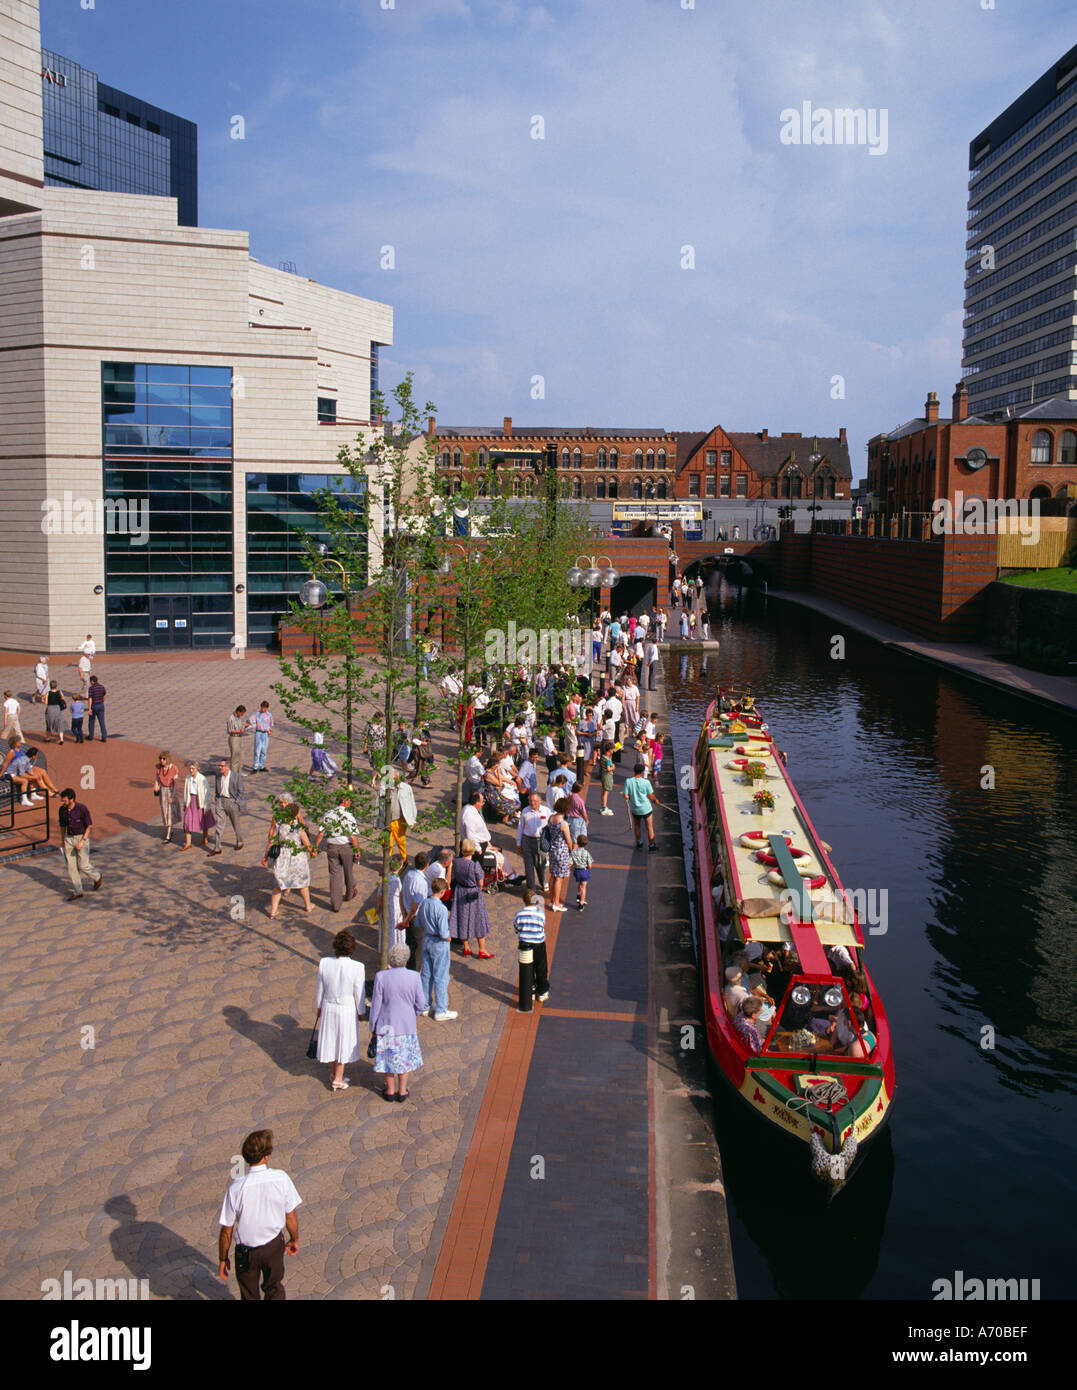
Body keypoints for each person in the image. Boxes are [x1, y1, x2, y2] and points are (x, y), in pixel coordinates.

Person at [217, 1129, 301, 1301]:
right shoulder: (281, 1178)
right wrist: (294, 1239)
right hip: (273, 1247)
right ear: (266, 1156)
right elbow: (290, 1216)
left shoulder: (236, 1189)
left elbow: (227, 1231)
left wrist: (223, 1258)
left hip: (246, 1253)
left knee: (249, 1295)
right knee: (274, 1288)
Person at [368, 943, 428, 1099]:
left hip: (386, 1025)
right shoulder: (414, 977)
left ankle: (389, 1090)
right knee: (405, 1059)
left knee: (388, 1060)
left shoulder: (381, 977)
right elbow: (421, 1003)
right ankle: (402, 1090)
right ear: (406, 960)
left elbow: (376, 1004)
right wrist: (413, 1012)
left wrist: (372, 1025)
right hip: (406, 1024)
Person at [314, 929, 366, 1091]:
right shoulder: (358, 967)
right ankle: (338, 1078)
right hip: (347, 1009)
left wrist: (319, 1006)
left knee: (331, 1039)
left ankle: (333, 1073)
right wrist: (361, 1011)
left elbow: (319, 988)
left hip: (329, 1006)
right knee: (344, 1041)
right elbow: (359, 992)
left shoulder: (325, 963)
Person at [263, 799, 314, 917]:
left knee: (279, 885)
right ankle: (308, 906)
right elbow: (307, 844)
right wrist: (313, 853)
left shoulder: (280, 825)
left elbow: (271, 841)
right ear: (296, 814)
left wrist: (265, 856)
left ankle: (273, 911)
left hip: (282, 856)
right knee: (302, 882)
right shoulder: (298, 827)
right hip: (297, 856)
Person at [416, 880, 457, 1020]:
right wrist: (448, 938)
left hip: (427, 939)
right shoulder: (442, 909)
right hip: (439, 943)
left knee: (426, 974)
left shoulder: (424, 903)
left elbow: (418, 923)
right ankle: (441, 1009)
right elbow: (444, 932)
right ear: (442, 891)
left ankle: (425, 1006)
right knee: (441, 976)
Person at [314, 792, 361, 911]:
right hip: (346, 846)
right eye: (349, 801)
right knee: (348, 871)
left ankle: (336, 904)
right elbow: (353, 837)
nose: (350, 803)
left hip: (332, 846)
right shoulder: (349, 816)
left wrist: (315, 846)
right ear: (344, 802)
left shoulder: (328, 814)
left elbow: (321, 833)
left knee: (335, 875)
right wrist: (357, 849)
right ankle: (349, 894)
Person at [449, 839, 494, 958]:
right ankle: (482, 949)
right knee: (479, 920)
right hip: (473, 893)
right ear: (472, 850)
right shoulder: (475, 866)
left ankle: (466, 947)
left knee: (462, 918)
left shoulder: (456, 862)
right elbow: (481, 883)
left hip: (460, 891)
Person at [57, 788, 102, 900]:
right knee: (71, 867)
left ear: (71, 799)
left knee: (83, 865)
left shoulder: (82, 809)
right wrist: (63, 840)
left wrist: (83, 841)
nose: (63, 803)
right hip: (69, 838)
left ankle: (97, 876)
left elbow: (89, 826)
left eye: (65, 800)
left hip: (81, 837)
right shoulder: (62, 810)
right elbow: (62, 826)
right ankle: (78, 891)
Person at [513, 889, 550, 1002]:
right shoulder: (540, 914)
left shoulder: (519, 914)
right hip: (538, 944)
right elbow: (542, 925)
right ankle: (542, 991)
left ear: (523, 900)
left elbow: (516, 928)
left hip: (524, 944)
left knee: (527, 967)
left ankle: (531, 988)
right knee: (541, 967)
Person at [543, 798, 575, 913]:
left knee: (553, 876)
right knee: (559, 878)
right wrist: (573, 851)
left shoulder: (551, 818)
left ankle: (552, 900)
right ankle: (556, 903)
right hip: (561, 852)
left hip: (552, 850)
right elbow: (568, 840)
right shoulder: (563, 824)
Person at [516, 790, 551, 894]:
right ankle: (531, 889)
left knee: (541, 864)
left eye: (535, 801)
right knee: (528, 865)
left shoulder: (546, 811)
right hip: (527, 840)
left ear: (540, 801)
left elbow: (551, 826)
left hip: (541, 841)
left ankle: (543, 881)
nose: (533, 803)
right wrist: (518, 842)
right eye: (531, 801)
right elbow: (520, 827)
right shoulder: (525, 811)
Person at [210, 757, 246, 854]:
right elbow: (217, 789)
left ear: (228, 767)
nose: (220, 768)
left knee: (236, 824)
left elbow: (241, 791)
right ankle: (217, 847)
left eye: (222, 766)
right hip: (220, 801)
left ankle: (239, 841)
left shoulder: (236, 776)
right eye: (219, 766)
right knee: (219, 825)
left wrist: (236, 802)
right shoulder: (218, 775)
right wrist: (217, 799)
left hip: (232, 802)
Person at [401, 852, 431, 969]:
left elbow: (402, 893)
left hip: (408, 914)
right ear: (427, 865)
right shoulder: (421, 882)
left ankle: (408, 967)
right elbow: (415, 906)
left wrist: (404, 914)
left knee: (410, 944)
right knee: (418, 947)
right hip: (415, 918)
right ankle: (415, 973)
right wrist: (408, 919)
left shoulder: (409, 874)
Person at [624, 760, 658, 850]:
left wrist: (628, 796)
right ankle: (651, 845)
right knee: (649, 827)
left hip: (635, 809)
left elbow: (626, 795)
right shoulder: (646, 782)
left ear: (634, 771)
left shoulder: (628, 781)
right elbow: (651, 795)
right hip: (646, 808)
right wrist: (655, 800)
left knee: (637, 826)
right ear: (643, 772)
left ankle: (639, 843)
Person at [376, 856, 406, 950]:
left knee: (386, 930)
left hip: (386, 908)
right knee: (394, 932)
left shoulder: (386, 878)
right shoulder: (397, 881)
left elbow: (379, 895)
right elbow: (401, 898)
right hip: (395, 909)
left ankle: (386, 951)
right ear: (401, 866)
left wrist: (378, 909)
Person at [180, 760, 211, 851]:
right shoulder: (188, 778)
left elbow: (207, 792)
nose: (191, 770)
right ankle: (188, 843)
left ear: (197, 769)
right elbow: (186, 791)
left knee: (203, 820)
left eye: (193, 768)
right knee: (187, 821)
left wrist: (206, 806)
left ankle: (205, 837)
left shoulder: (202, 779)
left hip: (200, 801)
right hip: (190, 801)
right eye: (190, 768)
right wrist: (185, 803)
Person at [153, 750, 181, 843]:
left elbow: (176, 783)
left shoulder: (173, 768)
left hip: (170, 790)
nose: (162, 760)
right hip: (163, 791)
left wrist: (172, 796)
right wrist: (156, 785)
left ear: (167, 759)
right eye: (161, 758)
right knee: (165, 811)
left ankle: (168, 835)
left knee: (170, 812)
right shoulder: (158, 767)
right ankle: (170, 829)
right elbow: (157, 777)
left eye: (164, 759)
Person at [570, 833, 594, 911]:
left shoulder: (573, 852)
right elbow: (590, 865)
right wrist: (588, 867)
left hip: (577, 871)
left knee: (579, 883)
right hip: (584, 870)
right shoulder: (586, 853)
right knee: (584, 887)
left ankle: (578, 894)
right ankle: (581, 903)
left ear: (577, 842)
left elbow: (570, 862)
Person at [249, 701, 274, 773]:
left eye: (265, 708)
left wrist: (270, 731)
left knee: (264, 750)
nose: (263, 709)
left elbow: (270, 724)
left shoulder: (269, 715)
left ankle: (262, 765)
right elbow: (250, 720)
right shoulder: (257, 714)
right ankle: (255, 767)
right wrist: (251, 724)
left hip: (265, 734)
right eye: (262, 708)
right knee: (257, 750)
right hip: (259, 733)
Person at [41, 679, 66, 744]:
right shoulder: (59, 692)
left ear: (50, 686)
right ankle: (61, 739)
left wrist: (43, 700)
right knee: (59, 723)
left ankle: (48, 738)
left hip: (50, 709)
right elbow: (63, 698)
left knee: (49, 723)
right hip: (57, 708)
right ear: (56, 686)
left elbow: (46, 702)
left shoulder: (48, 693)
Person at [227, 705, 249, 769]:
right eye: (242, 713)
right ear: (238, 711)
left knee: (241, 756)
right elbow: (230, 730)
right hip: (234, 738)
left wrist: (245, 726)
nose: (242, 715)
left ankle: (239, 771)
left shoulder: (238, 717)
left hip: (239, 737)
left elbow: (239, 726)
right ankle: (234, 773)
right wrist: (239, 731)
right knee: (235, 757)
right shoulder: (231, 718)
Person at [597, 739, 616, 815]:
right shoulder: (608, 759)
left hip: (603, 776)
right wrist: (613, 767)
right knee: (606, 792)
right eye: (613, 750)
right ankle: (604, 808)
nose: (613, 751)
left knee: (603, 791)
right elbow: (608, 768)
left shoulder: (603, 756)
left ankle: (603, 806)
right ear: (610, 750)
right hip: (608, 776)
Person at [87, 675, 107, 742]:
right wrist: (102, 702)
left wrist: (89, 708)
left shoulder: (91, 688)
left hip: (94, 706)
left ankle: (91, 736)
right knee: (102, 722)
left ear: (92, 681)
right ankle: (104, 737)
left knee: (91, 721)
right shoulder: (102, 687)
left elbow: (90, 698)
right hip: (101, 705)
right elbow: (104, 695)